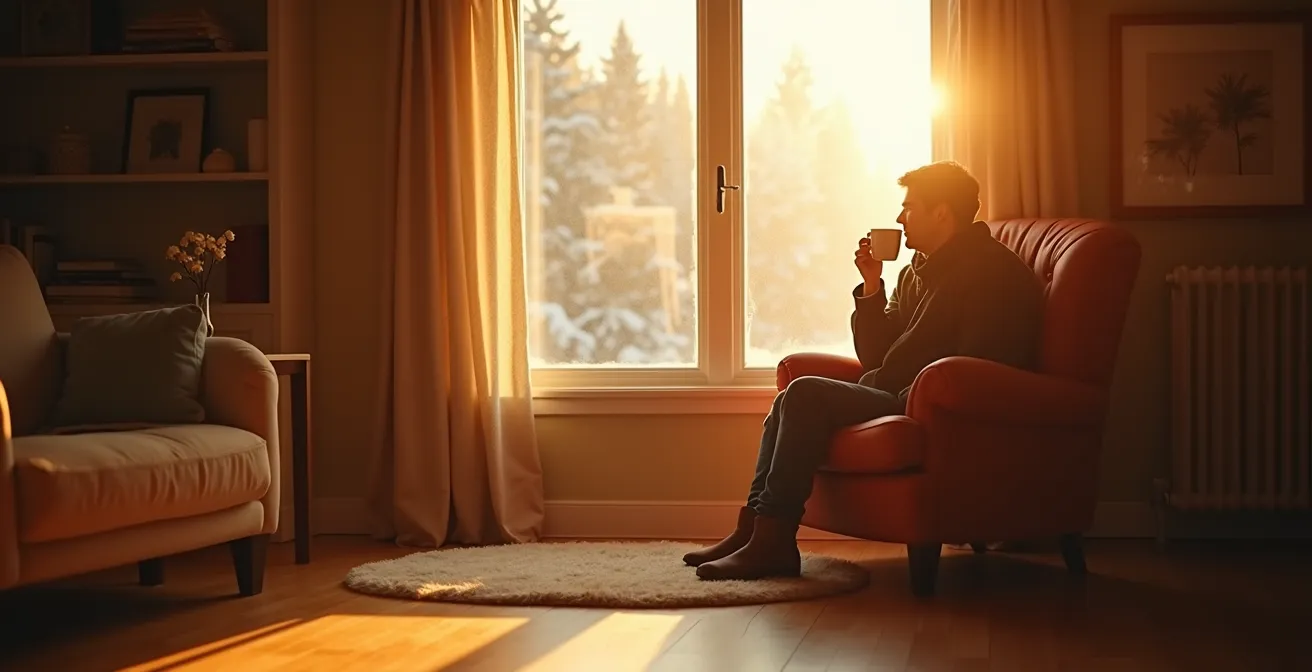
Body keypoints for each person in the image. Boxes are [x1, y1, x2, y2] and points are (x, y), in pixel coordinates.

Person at [684, 160, 1044, 581]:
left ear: (942, 212)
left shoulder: (989, 273)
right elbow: (877, 356)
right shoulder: (918, 270)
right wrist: (873, 285)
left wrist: (911, 392)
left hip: (923, 405)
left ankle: (773, 541)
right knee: (790, 398)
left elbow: (981, 364)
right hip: (898, 392)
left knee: (804, 394)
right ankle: (755, 531)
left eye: (909, 208)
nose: (898, 218)